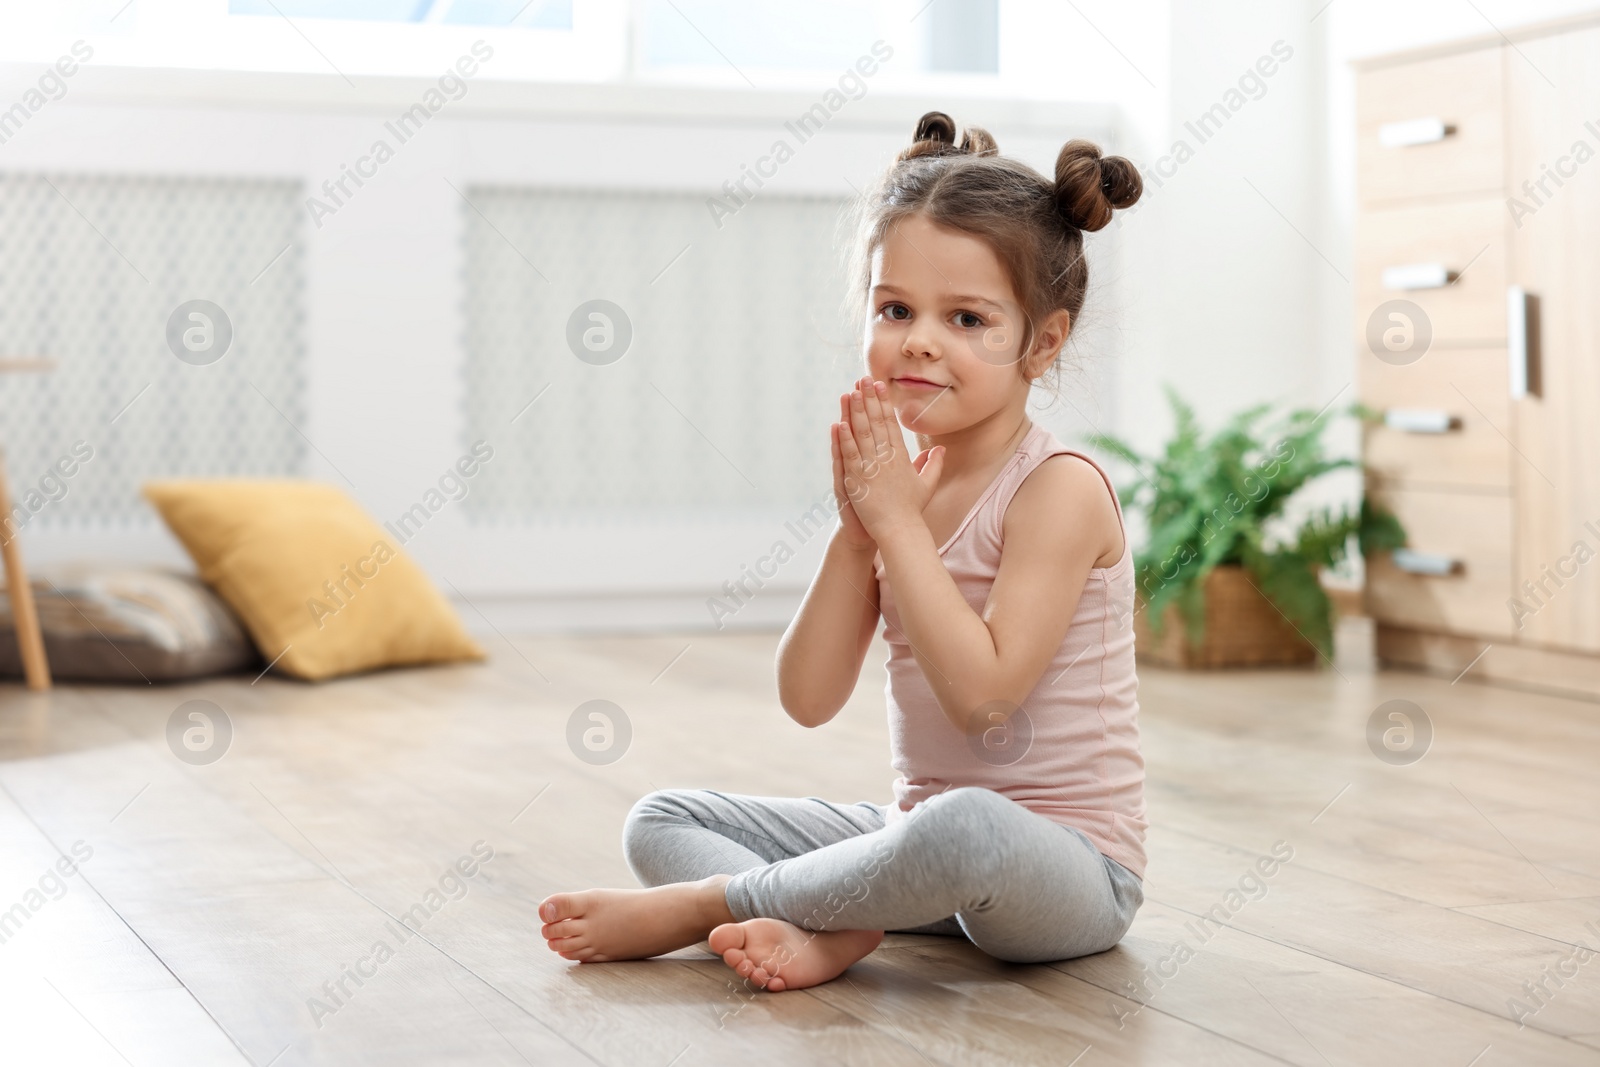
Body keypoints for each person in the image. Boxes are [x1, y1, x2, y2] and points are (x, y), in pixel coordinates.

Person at [538, 111, 1148, 993]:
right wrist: (857, 531)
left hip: (1063, 872)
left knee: (963, 823)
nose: (921, 340)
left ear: (1041, 342)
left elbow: (986, 704)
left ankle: (709, 902)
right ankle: (831, 917)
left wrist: (898, 528)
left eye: (968, 318)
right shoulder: (907, 487)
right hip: (917, 848)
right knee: (660, 816)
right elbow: (809, 698)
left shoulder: (1059, 489)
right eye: (895, 308)